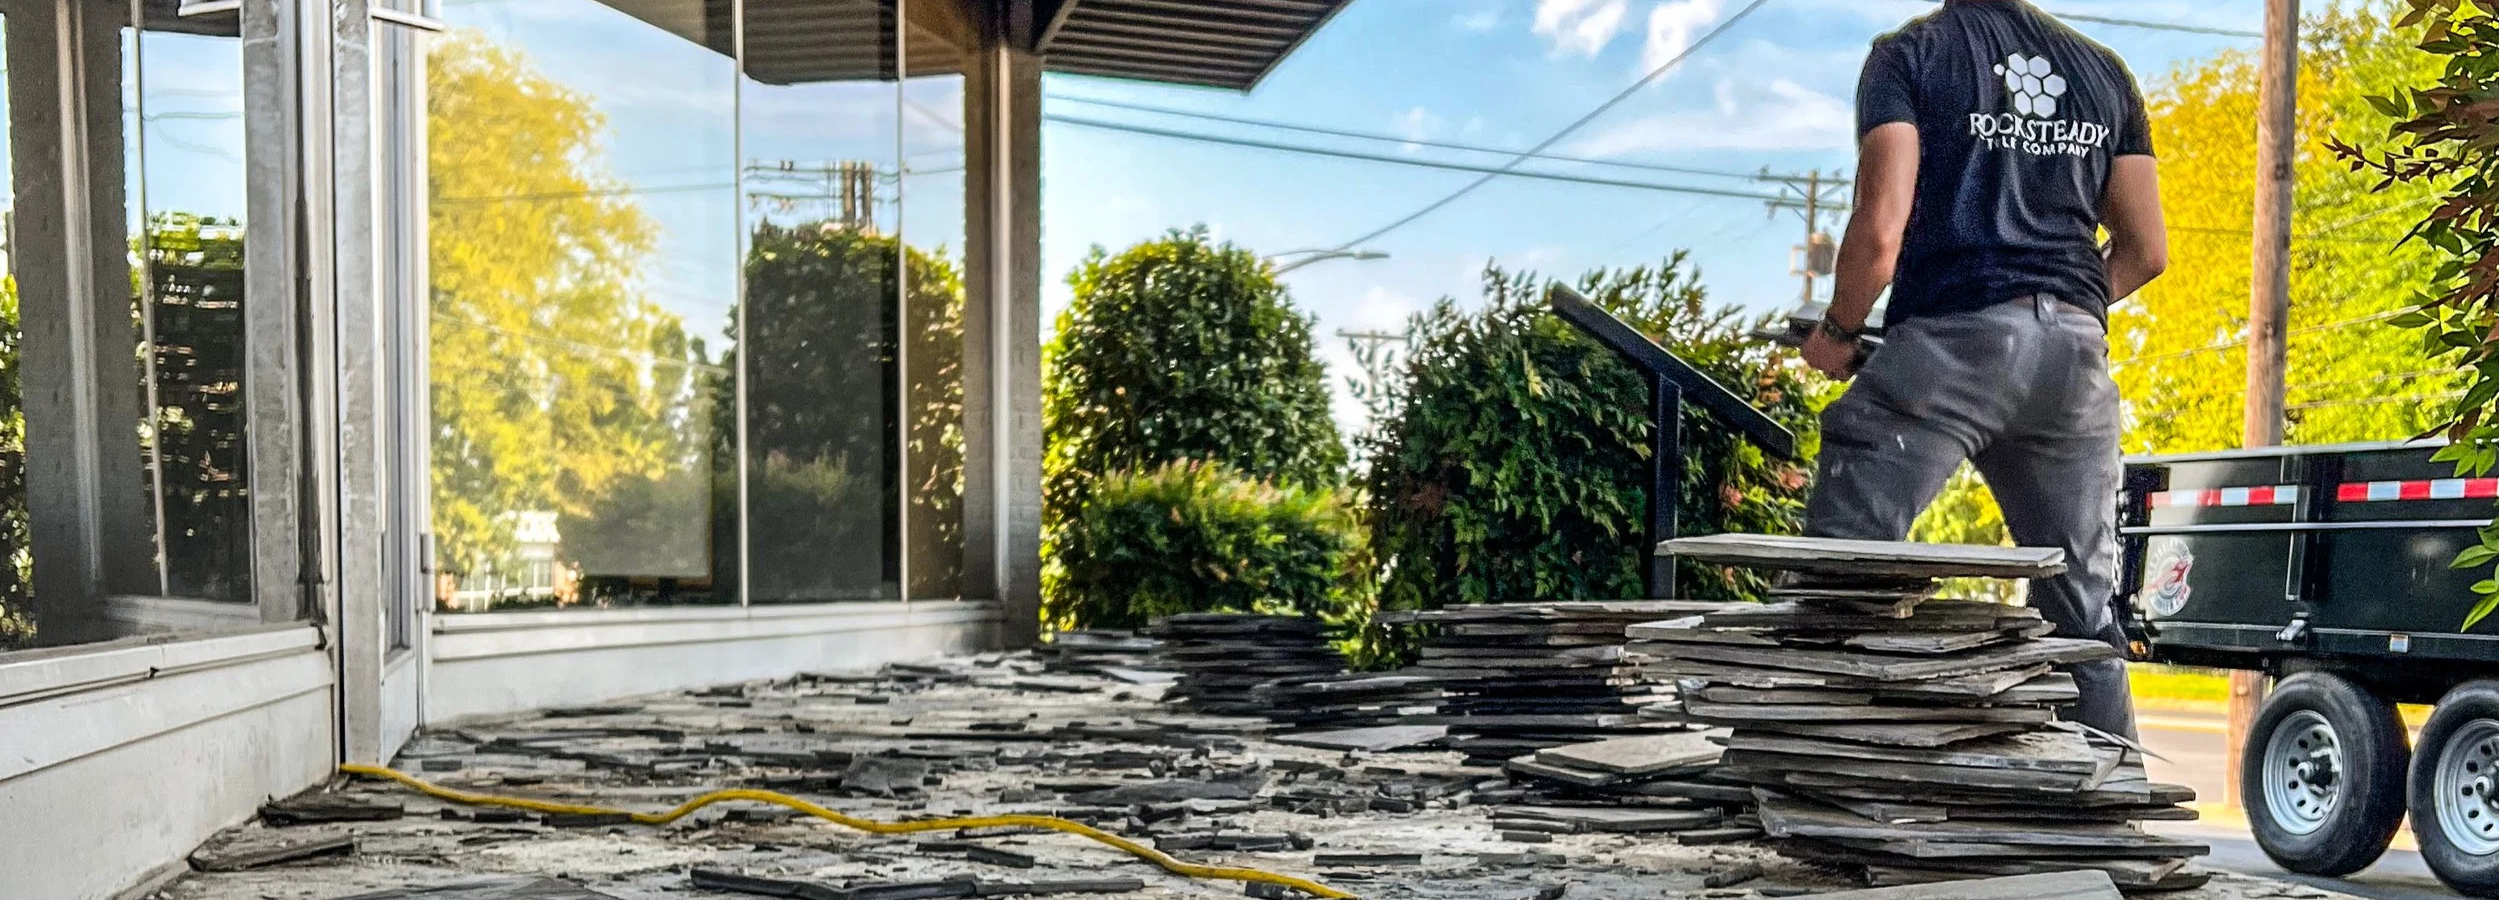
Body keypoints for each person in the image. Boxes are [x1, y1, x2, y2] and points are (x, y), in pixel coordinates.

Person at [1799, 0, 2168, 739]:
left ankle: (1824, 783)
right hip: (2072, 360)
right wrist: (2064, 304)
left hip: (1948, 343)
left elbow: (1879, 226)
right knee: (2081, 610)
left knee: (1841, 574)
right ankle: (2112, 819)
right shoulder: (2103, 72)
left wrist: (1837, 332)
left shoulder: (1910, 56)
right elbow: (2146, 250)